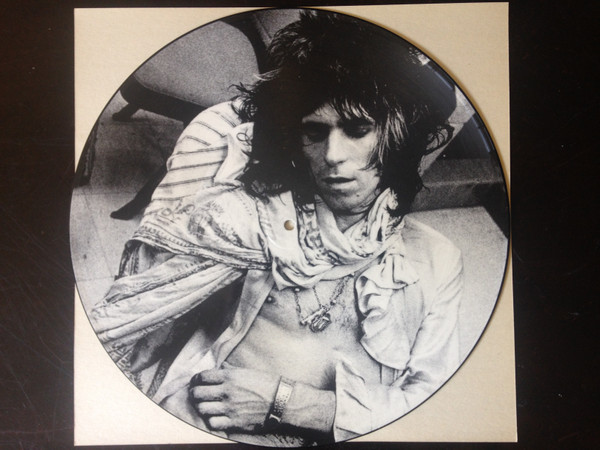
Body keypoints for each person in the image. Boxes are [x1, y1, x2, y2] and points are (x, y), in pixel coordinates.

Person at [90, 10, 465, 446]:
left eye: (358, 129)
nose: (333, 155)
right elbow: (136, 316)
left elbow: (433, 406)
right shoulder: (252, 223)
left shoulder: (436, 261)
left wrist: (288, 402)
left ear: (397, 136)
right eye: (315, 132)